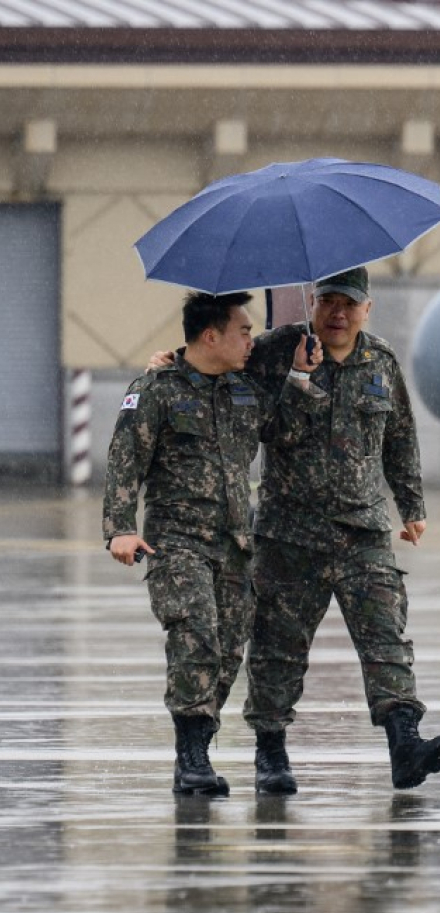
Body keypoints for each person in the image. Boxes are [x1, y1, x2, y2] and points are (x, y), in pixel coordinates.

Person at [152, 266, 440, 794]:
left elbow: (400, 436)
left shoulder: (380, 362)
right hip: (290, 533)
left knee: (386, 636)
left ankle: (405, 742)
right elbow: (219, 375)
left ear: (367, 308)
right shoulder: (272, 351)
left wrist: (412, 505)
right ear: (312, 302)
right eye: (329, 301)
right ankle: (270, 751)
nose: (338, 313)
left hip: (363, 531)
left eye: (350, 304)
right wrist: (173, 363)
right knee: (276, 652)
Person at [105, 291, 319, 795]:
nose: (250, 339)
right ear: (210, 336)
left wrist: (301, 375)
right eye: (242, 331)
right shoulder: (157, 389)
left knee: (226, 653)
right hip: (176, 543)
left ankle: (198, 746)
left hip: (234, 544)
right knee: (195, 638)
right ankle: (192, 759)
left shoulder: (243, 389)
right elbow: (124, 458)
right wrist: (119, 527)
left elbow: (283, 431)